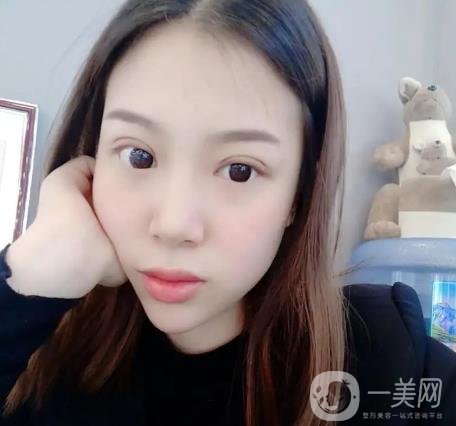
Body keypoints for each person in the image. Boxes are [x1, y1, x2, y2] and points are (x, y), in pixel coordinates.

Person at [0, 1, 455, 425]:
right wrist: (27, 284)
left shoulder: (387, 361)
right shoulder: (38, 360)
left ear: (299, 193)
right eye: (139, 156)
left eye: (240, 170)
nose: (174, 225)